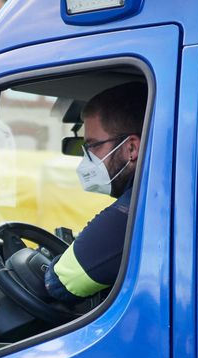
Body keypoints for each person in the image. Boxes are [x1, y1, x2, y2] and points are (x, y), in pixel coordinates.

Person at [45, 82, 147, 303]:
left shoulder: (137, 208)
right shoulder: (157, 192)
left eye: (92, 146)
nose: (86, 159)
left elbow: (59, 283)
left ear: (131, 148)